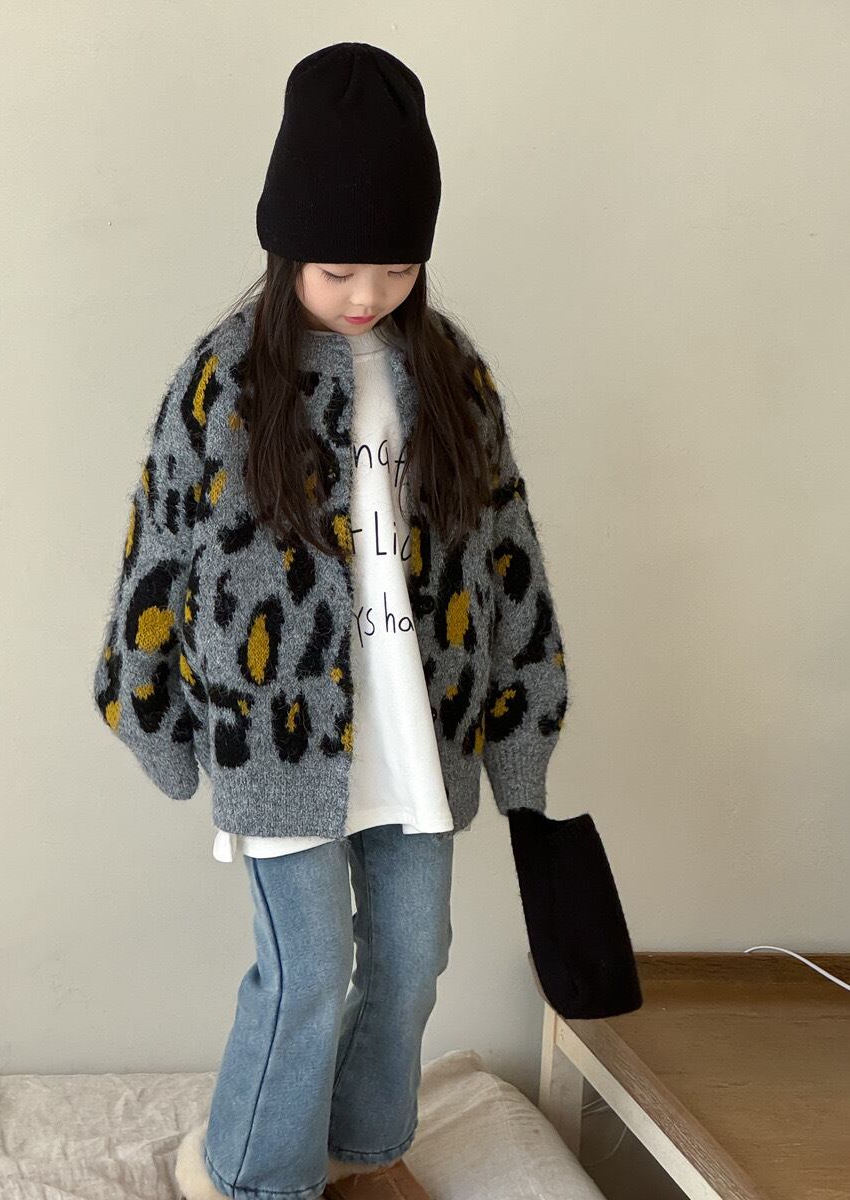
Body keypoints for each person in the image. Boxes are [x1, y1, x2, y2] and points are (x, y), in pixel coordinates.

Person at [92, 42, 568, 1200]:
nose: (367, 296)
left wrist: (523, 739)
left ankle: (363, 1148)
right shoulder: (225, 381)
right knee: (305, 973)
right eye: (340, 269)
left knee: (412, 959)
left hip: (417, 736)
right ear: (285, 249)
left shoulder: (449, 377)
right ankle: (250, 1173)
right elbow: (157, 551)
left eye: (397, 267)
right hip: (281, 744)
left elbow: (508, 558)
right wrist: (149, 712)